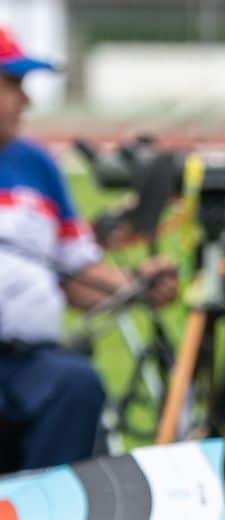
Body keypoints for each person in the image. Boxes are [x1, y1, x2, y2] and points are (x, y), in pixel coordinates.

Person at [0, 27, 175, 474]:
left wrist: (139, 285)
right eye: (12, 85)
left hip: (27, 361)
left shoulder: (37, 165)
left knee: (76, 384)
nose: (27, 101)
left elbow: (79, 272)